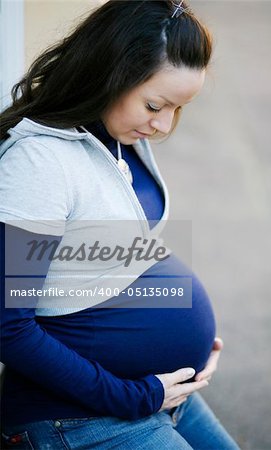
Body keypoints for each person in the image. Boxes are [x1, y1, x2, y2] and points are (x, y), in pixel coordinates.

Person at [0, 1, 241, 448]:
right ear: (110, 73)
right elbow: (7, 328)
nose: (164, 124)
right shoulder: (38, 164)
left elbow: (106, 258)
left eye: (177, 108)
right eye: (155, 104)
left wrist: (185, 334)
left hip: (158, 394)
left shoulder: (113, 136)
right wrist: (133, 393)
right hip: (81, 416)